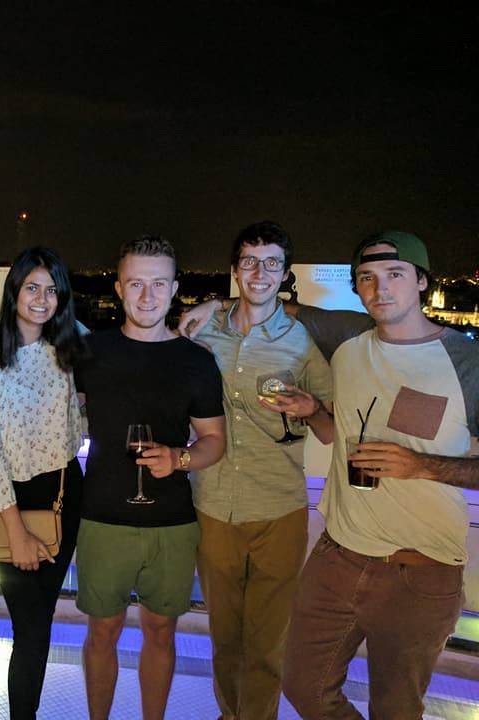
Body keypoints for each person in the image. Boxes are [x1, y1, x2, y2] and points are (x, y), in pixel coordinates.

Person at [184, 230, 477, 719]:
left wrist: (422, 465)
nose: (380, 289)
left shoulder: (466, 361)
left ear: (423, 282)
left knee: (397, 707)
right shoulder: (348, 341)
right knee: (303, 687)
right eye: (367, 278)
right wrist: (214, 300)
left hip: (421, 569)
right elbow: (272, 305)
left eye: (395, 275)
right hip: (338, 556)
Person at [183, 222, 334, 720]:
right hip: (212, 504)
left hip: (279, 511)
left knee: (268, 647)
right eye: (249, 261)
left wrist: (310, 406)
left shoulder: (302, 343)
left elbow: (331, 430)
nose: (260, 272)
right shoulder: (202, 329)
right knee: (225, 640)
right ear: (235, 270)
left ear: (285, 273)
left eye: (271, 263)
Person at [74, 235, 226, 720]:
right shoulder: (89, 353)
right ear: (118, 288)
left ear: (175, 288)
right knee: (103, 632)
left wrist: (178, 460)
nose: (146, 296)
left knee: (163, 631)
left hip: (172, 523)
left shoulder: (197, 360)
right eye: (135, 283)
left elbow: (213, 441)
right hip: (101, 518)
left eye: (158, 284)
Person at [0, 246, 86, 720]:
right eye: (32, 287)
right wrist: (13, 527)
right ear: (14, 291)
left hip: (62, 492)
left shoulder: (72, 343)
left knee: (41, 622)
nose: (41, 298)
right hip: (6, 499)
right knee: (31, 625)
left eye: (51, 290)